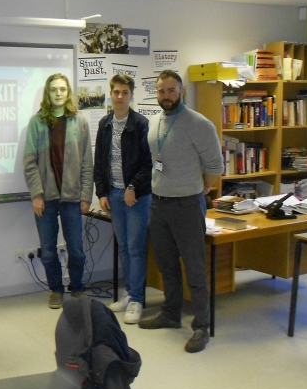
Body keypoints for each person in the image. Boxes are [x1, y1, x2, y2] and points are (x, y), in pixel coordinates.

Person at [138, 70, 223, 354]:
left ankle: (201, 326)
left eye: (171, 91)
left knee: (195, 269)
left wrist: (203, 187)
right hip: (159, 204)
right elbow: (156, 161)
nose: (166, 96)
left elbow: (215, 166)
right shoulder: (155, 123)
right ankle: (171, 315)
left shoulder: (199, 124)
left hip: (187, 204)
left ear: (181, 91)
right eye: (161, 91)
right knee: (167, 266)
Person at [23, 73, 93, 310]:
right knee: (49, 251)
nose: (59, 93)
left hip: (73, 198)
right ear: (48, 93)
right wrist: (37, 194)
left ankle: (77, 287)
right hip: (46, 198)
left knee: (77, 250)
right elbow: (30, 162)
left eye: (62, 89)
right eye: (54, 89)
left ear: (68, 92)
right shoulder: (37, 122)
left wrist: (86, 196)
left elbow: (86, 162)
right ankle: (55, 289)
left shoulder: (79, 121)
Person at [93, 74, 152, 325]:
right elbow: (99, 163)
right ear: (111, 94)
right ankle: (130, 294)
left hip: (136, 197)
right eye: (115, 92)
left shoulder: (140, 124)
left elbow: (148, 164)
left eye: (124, 92)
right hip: (114, 196)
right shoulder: (105, 123)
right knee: (125, 248)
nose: (119, 96)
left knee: (136, 249)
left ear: (131, 95)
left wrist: (132, 187)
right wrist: (102, 193)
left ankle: (138, 299)